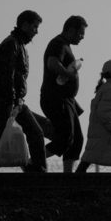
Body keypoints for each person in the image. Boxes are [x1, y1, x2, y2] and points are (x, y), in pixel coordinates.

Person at [0, 10, 47, 173]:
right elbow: (7, 74)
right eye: (34, 27)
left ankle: (37, 168)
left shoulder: (18, 44)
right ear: (24, 25)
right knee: (3, 134)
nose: (36, 31)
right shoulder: (12, 44)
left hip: (14, 99)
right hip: (10, 99)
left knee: (31, 132)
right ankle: (37, 169)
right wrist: (13, 101)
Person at [40, 15, 87, 173]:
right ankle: (33, 161)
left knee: (77, 140)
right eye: (80, 33)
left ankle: (68, 175)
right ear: (71, 29)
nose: (82, 37)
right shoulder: (58, 44)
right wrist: (68, 73)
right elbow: (52, 63)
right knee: (66, 137)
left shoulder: (65, 45)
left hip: (67, 100)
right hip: (56, 98)